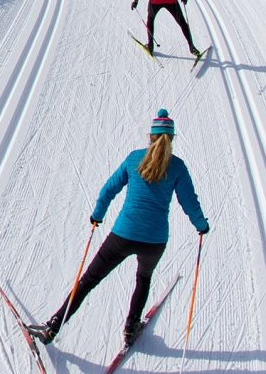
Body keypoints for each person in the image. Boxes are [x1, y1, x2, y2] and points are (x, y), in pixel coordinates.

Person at [27, 110, 209, 348]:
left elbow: (108, 190)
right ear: (171, 139)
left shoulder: (134, 159)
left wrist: (97, 216)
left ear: (150, 137)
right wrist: (201, 226)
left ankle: (54, 326)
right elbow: (189, 202)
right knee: (143, 279)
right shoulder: (177, 167)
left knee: (89, 280)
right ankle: (131, 328)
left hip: (123, 235)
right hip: (155, 241)